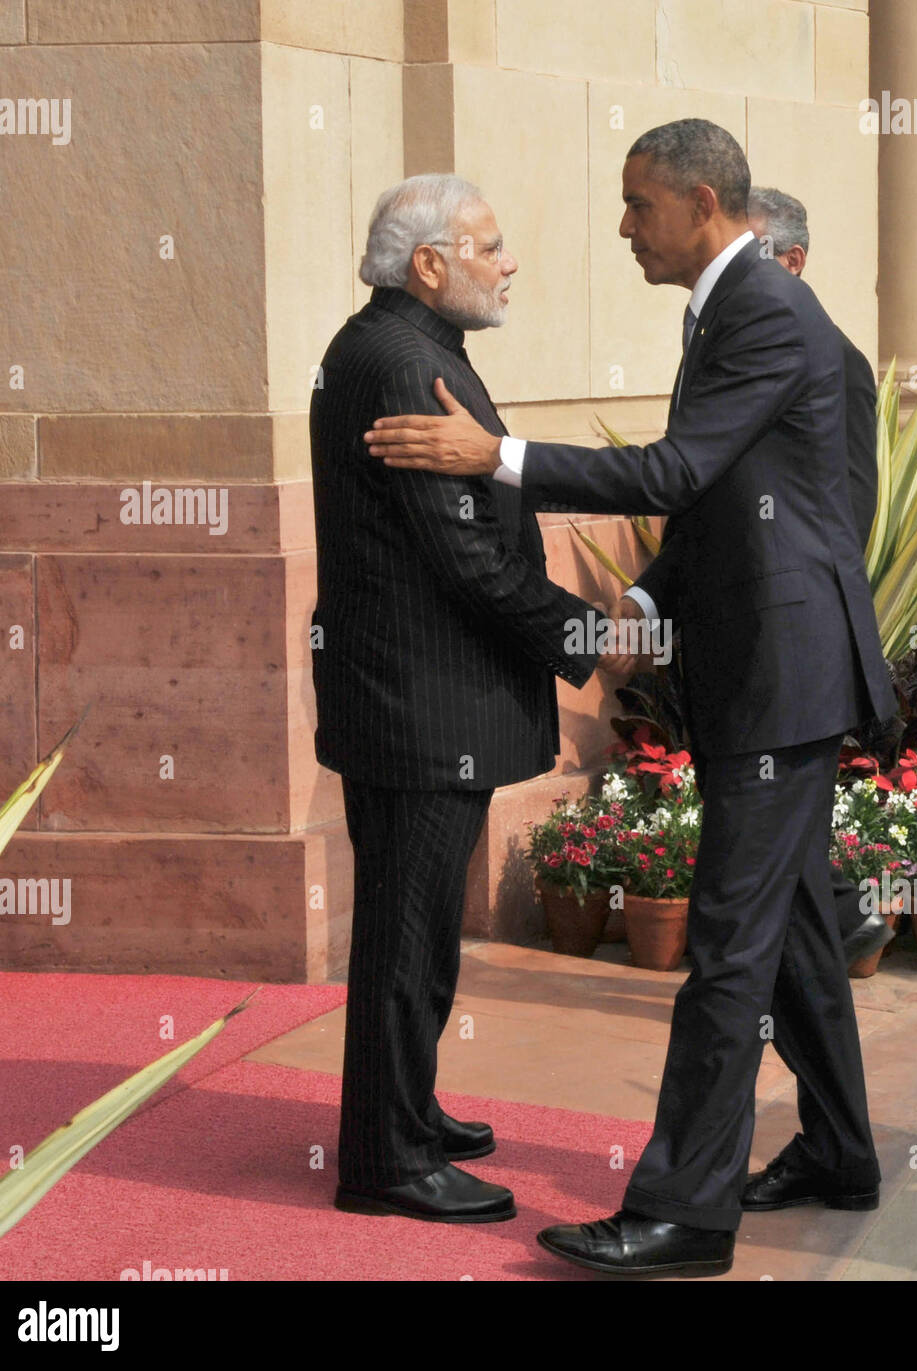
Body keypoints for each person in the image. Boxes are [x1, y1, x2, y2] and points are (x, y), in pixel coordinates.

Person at [364, 119, 898, 1278]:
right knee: (796, 929)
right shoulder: (727, 303)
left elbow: (669, 472)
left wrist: (492, 459)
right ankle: (841, 1154)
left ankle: (684, 1216)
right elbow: (717, 494)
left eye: (637, 205)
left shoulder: (761, 306)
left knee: (726, 953)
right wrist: (650, 604)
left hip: (780, 685)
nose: (621, 227)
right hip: (759, 671)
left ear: (702, 204)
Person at [310, 174, 604, 1225]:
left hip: (415, 699)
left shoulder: (403, 346)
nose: (508, 260)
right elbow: (466, 556)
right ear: (426, 265)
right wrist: (594, 636)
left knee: (421, 932)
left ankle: (406, 1113)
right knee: (404, 934)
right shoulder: (399, 362)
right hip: (417, 707)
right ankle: (385, 1161)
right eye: (489, 243)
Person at [748, 185, 893, 967]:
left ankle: (841, 917)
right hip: (744, 645)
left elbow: (848, 515)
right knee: (775, 843)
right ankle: (837, 926)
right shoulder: (734, 347)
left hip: (797, 641)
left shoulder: (838, 362)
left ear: (792, 262)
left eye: (755, 254)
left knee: (775, 841)